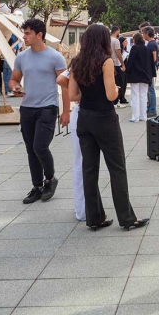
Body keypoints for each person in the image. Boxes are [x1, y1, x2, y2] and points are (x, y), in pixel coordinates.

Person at [71, 24, 149, 231]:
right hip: (104, 118)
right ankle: (126, 217)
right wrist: (115, 88)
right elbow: (110, 96)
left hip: (84, 118)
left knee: (89, 169)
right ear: (104, 40)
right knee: (117, 167)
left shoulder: (77, 62)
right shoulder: (105, 61)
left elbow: (73, 96)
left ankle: (94, 217)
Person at [10, 18, 68, 204]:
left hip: (48, 107)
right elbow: (13, 80)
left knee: (40, 146)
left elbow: (66, 86)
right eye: (24, 33)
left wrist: (65, 111)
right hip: (27, 108)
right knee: (30, 149)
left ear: (39, 35)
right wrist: (15, 87)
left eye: (27, 33)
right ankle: (37, 187)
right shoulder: (21, 57)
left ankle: (50, 179)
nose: (24, 37)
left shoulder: (55, 57)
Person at [56, 70, 85, 222]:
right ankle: (84, 209)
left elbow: (61, 79)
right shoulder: (101, 60)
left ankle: (81, 208)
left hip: (79, 114)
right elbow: (60, 79)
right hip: (93, 112)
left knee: (79, 163)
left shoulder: (78, 61)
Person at [125, 33, 154, 123]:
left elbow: (131, 61)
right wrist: (152, 74)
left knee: (135, 96)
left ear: (135, 40)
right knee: (143, 96)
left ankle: (135, 116)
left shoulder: (134, 48)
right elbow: (151, 63)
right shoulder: (148, 49)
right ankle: (143, 116)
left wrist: (127, 72)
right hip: (146, 76)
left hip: (135, 75)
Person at [109, 26, 128, 108]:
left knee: (110, 82)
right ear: (117, 31)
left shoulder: (107, 40)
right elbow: (118, 53)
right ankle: (116, 102)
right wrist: (123, 64)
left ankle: (112, 101)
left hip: (108, 63)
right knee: (119, 83)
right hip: (116, 63)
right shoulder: (116, 41)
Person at [142, 26, 159, 117]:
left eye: (143, 33)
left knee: (151, 90)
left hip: (150, 69)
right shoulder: (151, 43)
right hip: (150, 69)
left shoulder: (151, 44)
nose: (143, 35)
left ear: (147, 34)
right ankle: (151, 108)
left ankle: (152, 109)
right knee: (150, 89)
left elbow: (154, 58)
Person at [116, 35, 130, 106]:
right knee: (120, 83)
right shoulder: (120, 52)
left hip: (126, 69)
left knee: (124, 84)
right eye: (125, 41)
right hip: (120, 68)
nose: (126, 42)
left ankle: (122, 97)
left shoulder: (126, 51)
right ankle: (118, 99)